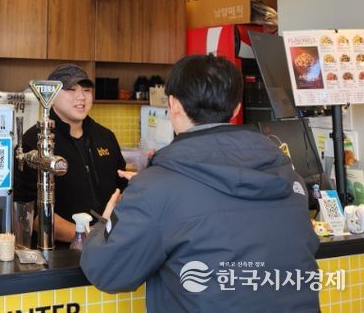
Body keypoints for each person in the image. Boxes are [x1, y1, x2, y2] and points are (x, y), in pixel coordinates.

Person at [81, 54, 320, 312]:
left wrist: (104, 223)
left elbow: (108, 271)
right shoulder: (289, 176)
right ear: (236, 108)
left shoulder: (156, 186)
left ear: (173, 104)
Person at [14, 63, 127, 243]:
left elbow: (122, 188)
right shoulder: (32, 141)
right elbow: (29, 211)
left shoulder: (105, 137)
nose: (81, 97)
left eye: (86, 90)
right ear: (51, 96)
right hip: (59, 249)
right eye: (71, 89)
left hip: (108, 244)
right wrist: (83, 236)